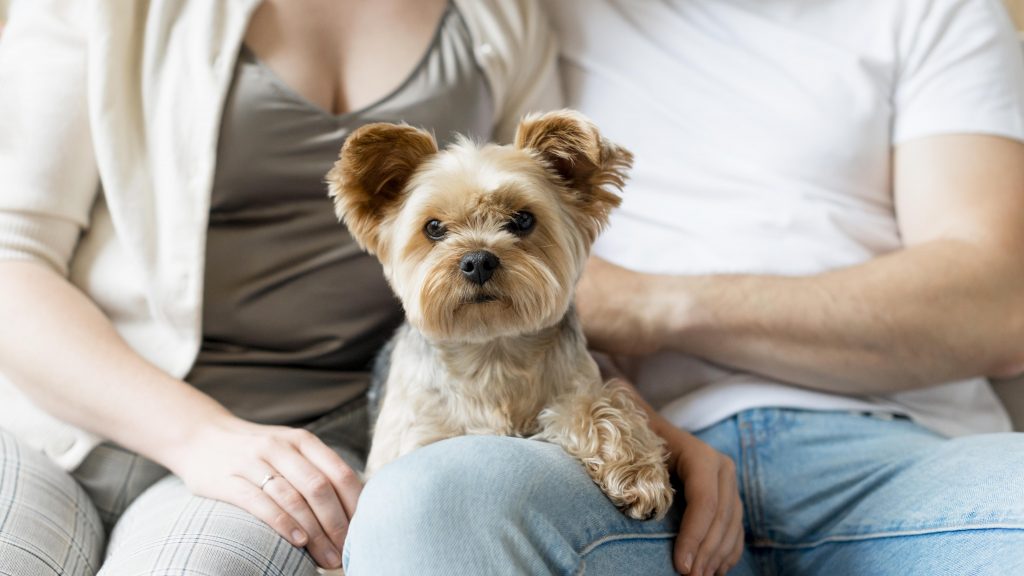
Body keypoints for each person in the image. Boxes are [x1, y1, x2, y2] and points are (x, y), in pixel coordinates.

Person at [0, 0, 746, 574]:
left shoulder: (501, 16)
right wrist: (198, 436)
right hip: (55, 409)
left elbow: (551, 253)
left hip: (319, 449)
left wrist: (647, 427)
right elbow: (10, 251)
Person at [549, 0, 1023, 574]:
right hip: (637, 458)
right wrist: (649, 427)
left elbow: (1000, 308)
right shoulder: (529, 19)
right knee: (451, 494)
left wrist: (649, 305)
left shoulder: (933, 12)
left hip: (904, 455)